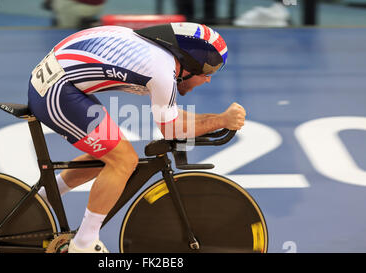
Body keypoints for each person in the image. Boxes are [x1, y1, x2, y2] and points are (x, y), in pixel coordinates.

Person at [27, 22, 246, 253]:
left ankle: (40, 201)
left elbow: (171, 115)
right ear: (189, 62)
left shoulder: (160, 57)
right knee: (123, 161)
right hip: (56, 91)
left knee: (110, 153)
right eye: (208, 72)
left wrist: (219, 119)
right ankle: (83, 245)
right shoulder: (160, 69)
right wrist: (221, 121)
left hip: (59, 83)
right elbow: (173, 130)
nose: (209, 79)